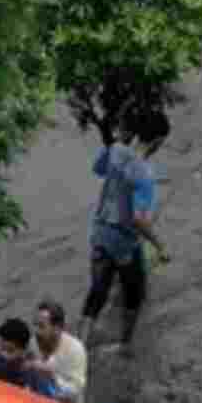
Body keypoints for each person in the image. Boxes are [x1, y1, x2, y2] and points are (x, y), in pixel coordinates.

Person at [79, 106, 170, 351]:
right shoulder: (145, 175)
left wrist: (114, 143)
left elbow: (97, 169)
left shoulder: (116, 150)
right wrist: (160, 245)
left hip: (100, 234)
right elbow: (138, 219)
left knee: (97, 293)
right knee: (134, 295)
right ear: (158, 141)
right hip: (125, 244)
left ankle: (81, 347)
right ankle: (124, 344)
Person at [25, 300, 88, 403]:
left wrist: (52, 376)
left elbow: (76, 391)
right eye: (35, 325)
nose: (36, 331)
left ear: (57, 328)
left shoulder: (75, 350)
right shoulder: (33, 343)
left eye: (41, 326)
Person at [0, 317, 63, 400]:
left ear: (24, 350)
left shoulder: (32, 371)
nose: (4, 354)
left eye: (10, 351)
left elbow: (48, 398)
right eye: (0, 347)